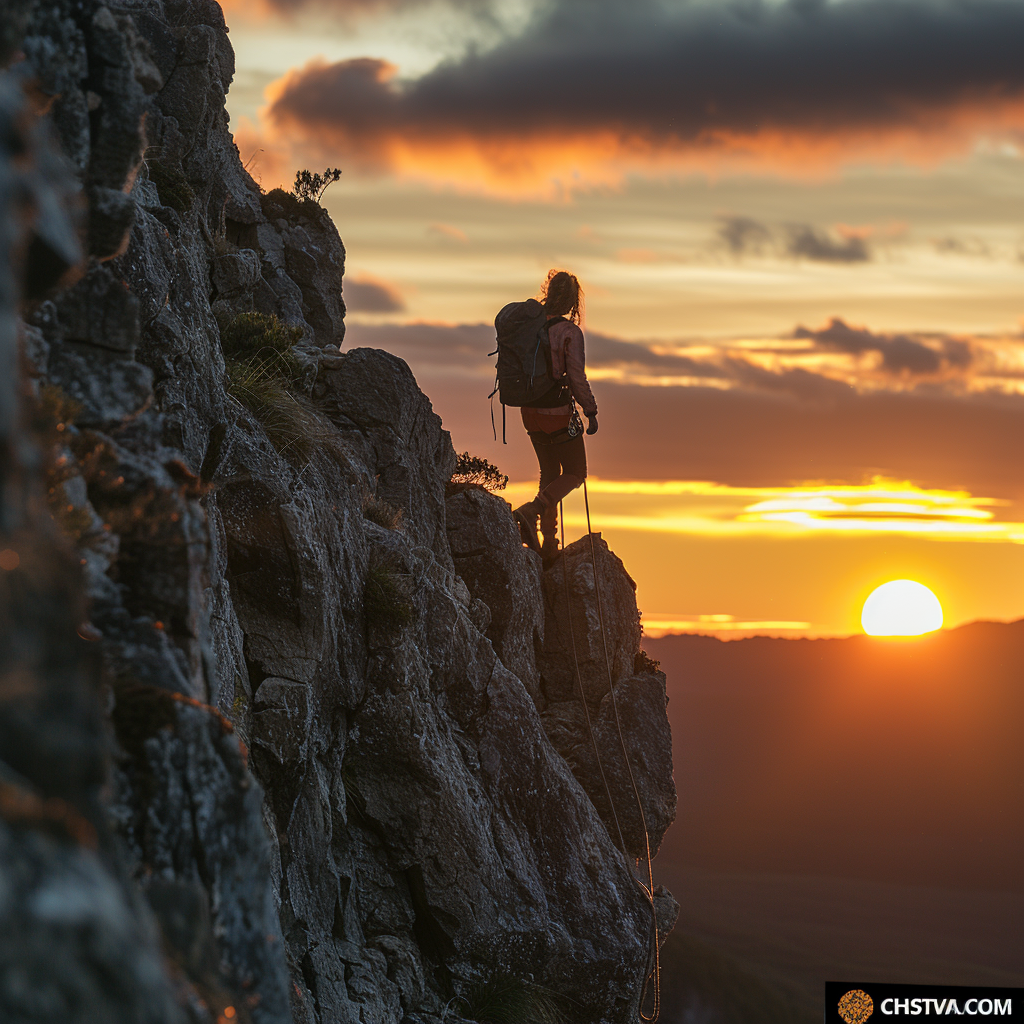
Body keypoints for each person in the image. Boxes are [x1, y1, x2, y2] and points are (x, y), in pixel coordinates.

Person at [512, 270, 598, 562]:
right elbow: (575, 376)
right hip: (558, 413)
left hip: (529, 411)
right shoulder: (568, 332)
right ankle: (531, 512)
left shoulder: (528, 326)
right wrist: (591, 410)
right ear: (573, 300)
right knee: (575, 473)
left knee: (550, 474)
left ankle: (548, 544)